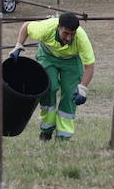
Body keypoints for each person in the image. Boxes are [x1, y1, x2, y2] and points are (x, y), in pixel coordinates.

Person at [12, 12, 95, 142]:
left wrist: (82, 88)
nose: (68, 38)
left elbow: (90, 66)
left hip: (71, 60)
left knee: (70, 94)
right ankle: (46, 131)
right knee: (49, 88)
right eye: (65, 33)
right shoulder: (46, 28)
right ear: (58, 28)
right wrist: (18, 45)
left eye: (72, 34)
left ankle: (63, 136)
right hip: (48, 55)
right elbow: (26, 27)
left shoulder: (81, 38)